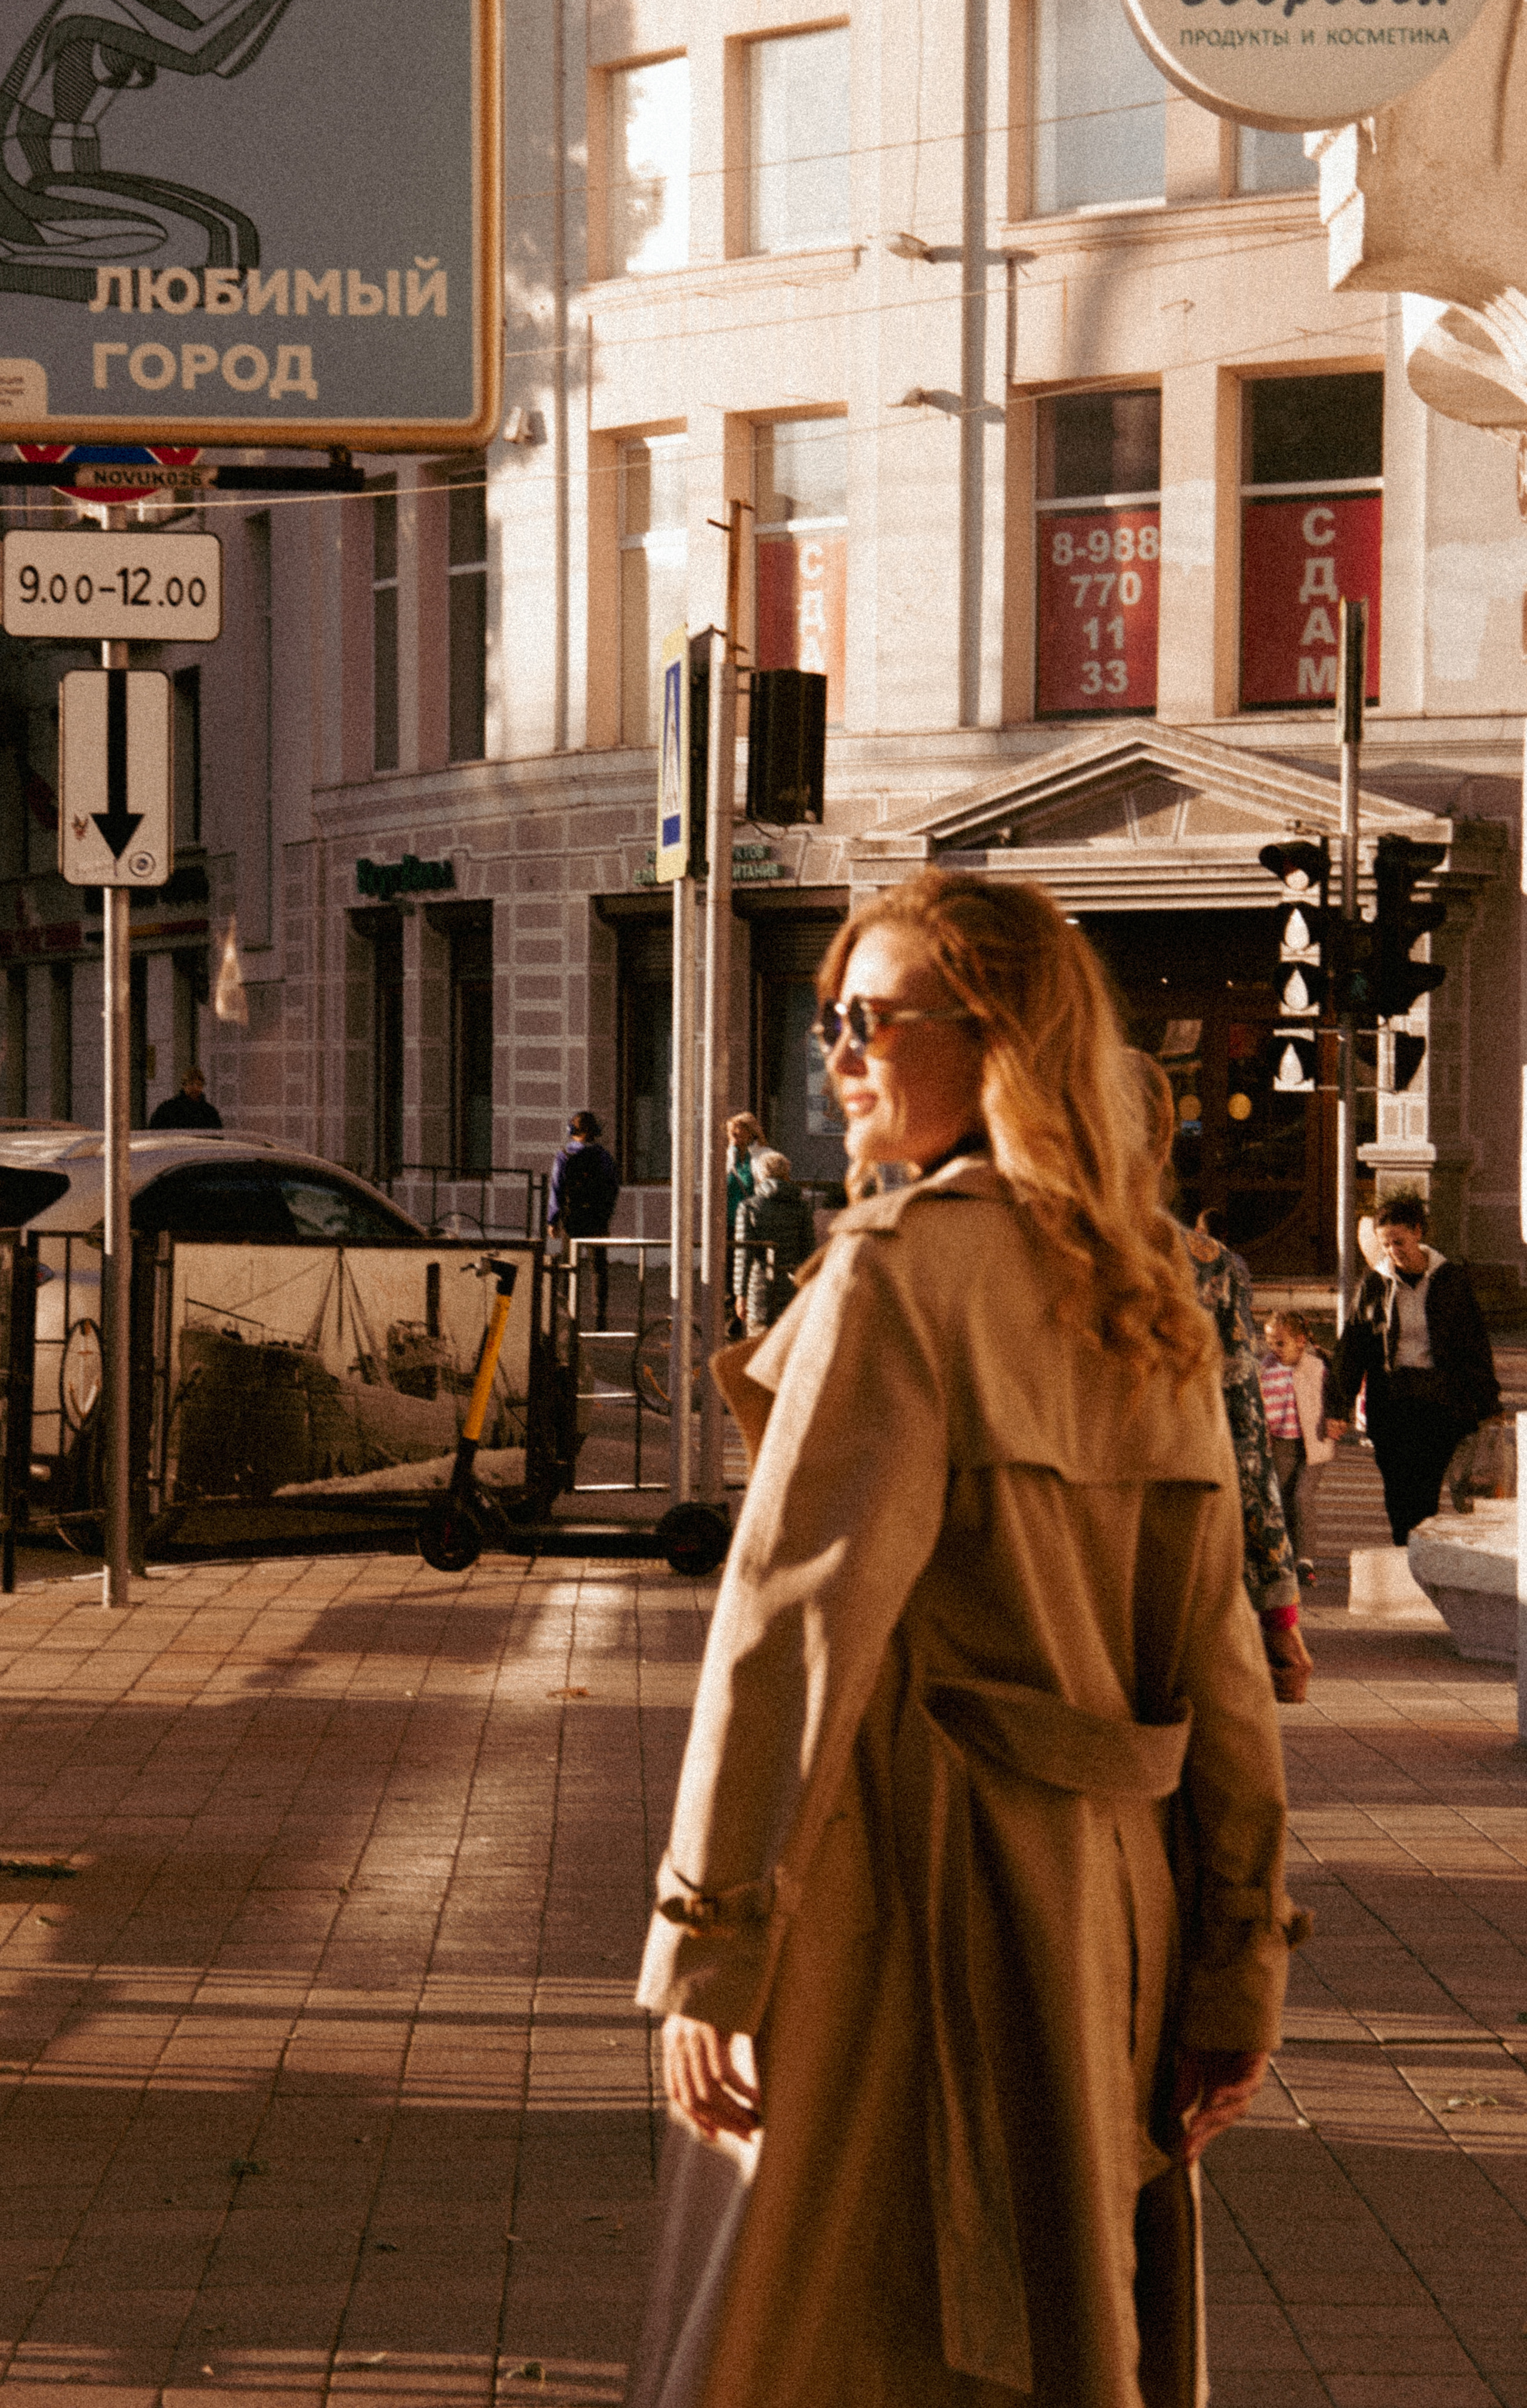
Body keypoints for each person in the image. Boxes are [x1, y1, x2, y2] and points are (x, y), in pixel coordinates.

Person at [629, 871, 1303, 2408]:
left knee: (798, 2331)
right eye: (828, 1019)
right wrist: (1230, 1972)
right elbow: (1222, 1682)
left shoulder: (895, 1273)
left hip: (893, 1902)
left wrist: (711, 1938)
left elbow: (786, 1637)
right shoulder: (1150, 1294)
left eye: (866, 1019)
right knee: (1063, 2321)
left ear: (989, 1038)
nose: (835, 1056)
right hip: (1105, 1919)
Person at [1135, 1060, 1312, 1706]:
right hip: (1184, 1549)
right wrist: (1280, 1613)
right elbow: (1246, 1443)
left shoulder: (1016, 1255)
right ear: (1161, 1145)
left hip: (1052, 1568)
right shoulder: (1208, 1269)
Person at [1334, 1190, 1499, 1545]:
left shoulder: (1450, 1280)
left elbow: (1474, 1344)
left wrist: (1489, 1405)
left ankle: (1419, 1558)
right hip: (1392, 1403)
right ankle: (1406, 1552)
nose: (1394, 1251)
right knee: (1397, 1490)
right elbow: (1354, 1346)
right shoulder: (1375, 1284)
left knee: (1425, 1488)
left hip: (1440, 1401)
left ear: (1419, 1233)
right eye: (1386, 1244)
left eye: (1400, 1241)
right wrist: (1338, 1404)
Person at [1259, 1312, 1346, 1586]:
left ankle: (1306, 1560)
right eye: (1271, 1343)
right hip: (1282, 1444)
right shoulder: (1266, 1368)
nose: (1275, 1350)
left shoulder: (1318, 1366)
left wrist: (1338, 1420)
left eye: (1280, 1344)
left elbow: (1338, 1396)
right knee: (1284, 1500)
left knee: (1302, 1498)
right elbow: (1260, 1405)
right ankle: (1289, 1557)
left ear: (1300, 1341)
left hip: (1314, 1444)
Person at [549, 1112, 620, 1332]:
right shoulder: (603, 1157)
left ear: (573, 1131)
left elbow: (557, 1188)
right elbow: (613, 1187)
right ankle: (600, 1320)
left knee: (570, 1266)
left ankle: (568, 1317)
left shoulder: (564, 1156)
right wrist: (605, 1214)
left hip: (573, 1218)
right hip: (597, 1219)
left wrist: (553, 1219)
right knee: (598, 1268)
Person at [734, 1150, 816, 1333]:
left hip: (760, 1287)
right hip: (792, 1286)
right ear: (786, 1173)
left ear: (760, 1175)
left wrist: (741, 1295)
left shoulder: (750, 1207)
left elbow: (744, 1255)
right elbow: (809, 1251)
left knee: (758, 1346)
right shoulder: (801, 1207)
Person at [725, 1113, 767, 1336]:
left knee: (750, 1271)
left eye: (738, 1129)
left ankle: (752, 1320)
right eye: (731, 1129)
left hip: (752, 1223)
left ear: (751, 1132)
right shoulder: (728, 1157)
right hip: (729, 1224)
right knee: (729, 1273)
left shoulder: (762, 1156)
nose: (733, 1134)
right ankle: (731, 1325)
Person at [148, 1066, 221, 1129]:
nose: (195, 1088)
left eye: (199, 1085)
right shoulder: (168, 1109)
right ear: (184, 1086)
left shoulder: (209, 1112)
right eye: (191, 1084)